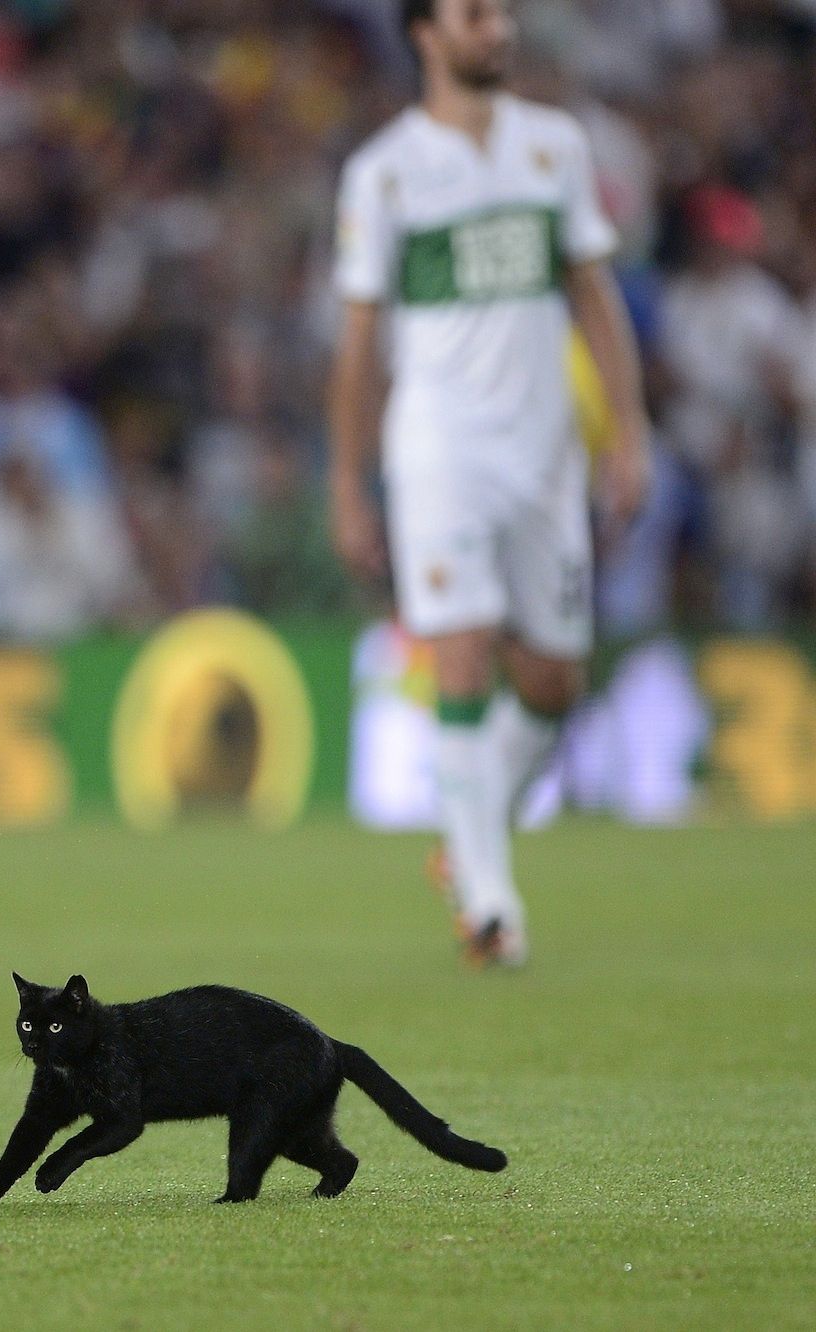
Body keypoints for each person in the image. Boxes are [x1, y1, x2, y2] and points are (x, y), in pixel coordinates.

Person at [326, 0, 649, 967]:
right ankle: (492, 906)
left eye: (503, 12)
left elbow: (596, 300)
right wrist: (348, 483)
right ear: (425, 32)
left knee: (553, 679)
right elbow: (357, 347)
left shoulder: (555, 147)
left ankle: (469, 838)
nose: (499, 28)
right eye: (476, 13)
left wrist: (627, 435)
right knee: (460, 653)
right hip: (439, 451)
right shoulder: (383, 172)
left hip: (547, 456)